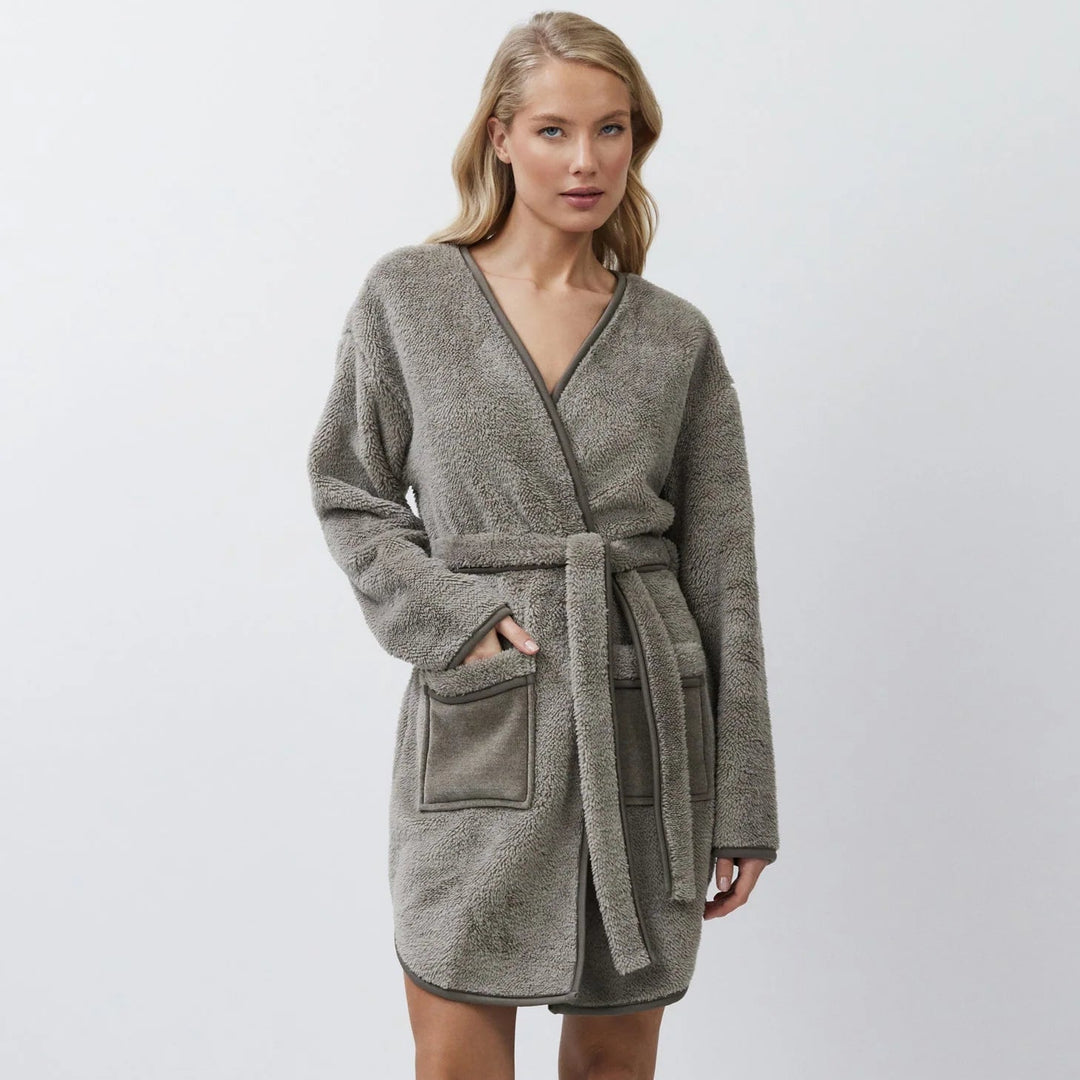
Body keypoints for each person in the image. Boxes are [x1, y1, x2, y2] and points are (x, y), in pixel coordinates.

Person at [306, 11, 779, 1079]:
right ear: (502, 137)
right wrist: (457, 624)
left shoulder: (675, 336)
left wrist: (745, 798)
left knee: (616, 1059)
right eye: (555, 130)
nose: (586, 161)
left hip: (645, 710)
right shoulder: (411, 298)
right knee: (457, 1056)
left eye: (612, 130)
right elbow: (349, 490)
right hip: (486, 709)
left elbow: (725, 574)